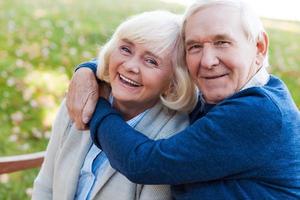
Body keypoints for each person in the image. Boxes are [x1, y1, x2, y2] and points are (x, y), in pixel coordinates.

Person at [67, 0, 300, 199]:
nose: (208, 61)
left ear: (259, 47)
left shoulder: (259, 112)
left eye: (222, 42)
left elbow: (142, 163)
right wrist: (89, 70)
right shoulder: (221, 94)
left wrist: (96, 103)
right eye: (195, 46)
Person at [32, 10, 198, 200]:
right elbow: (45, 185)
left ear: (173, 82)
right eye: (126, 49)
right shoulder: (82, 97)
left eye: (151, 61)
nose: (130, 66)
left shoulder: (171, 137)